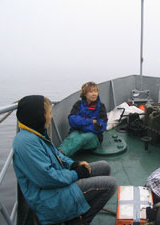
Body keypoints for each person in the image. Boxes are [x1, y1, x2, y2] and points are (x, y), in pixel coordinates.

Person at [13, 95, 117, 225]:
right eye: (49, 113)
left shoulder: (37, 134)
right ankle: (78, 222)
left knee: (104, 167)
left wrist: (73, 164)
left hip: (55, 185)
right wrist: (76, 174)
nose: (51, 117)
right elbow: (47, 178)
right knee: (111, 184)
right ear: (38, 116)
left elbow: (56, 154)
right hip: (48, 198)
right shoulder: (26, 143)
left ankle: (76, 211)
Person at [58, 81, 107, 156]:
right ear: (85, 93)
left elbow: (101, 126)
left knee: (82, 138)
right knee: (71, 137)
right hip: (77, 132)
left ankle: (60, 157)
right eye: (91, 91)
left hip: (94, 136)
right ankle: (57, 154)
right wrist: (90, 121)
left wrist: (81, 126)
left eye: (96, 91)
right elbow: (72, 120)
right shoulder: (78, 104)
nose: (94, 94)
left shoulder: (101, 107)